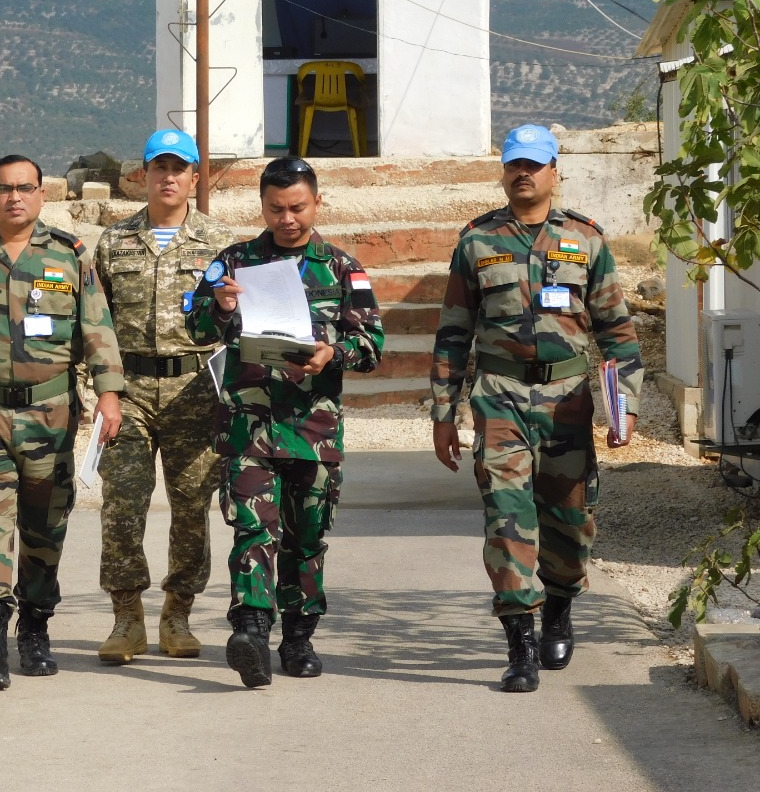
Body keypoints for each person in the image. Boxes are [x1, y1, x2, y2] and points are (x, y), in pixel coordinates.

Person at [429, 124, 643, 694]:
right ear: (504, 172)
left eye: (534, 164)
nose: (522, 173)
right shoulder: (477, 241)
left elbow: (617, 333)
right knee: (506, 515)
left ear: (555, 172)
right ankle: (519, 646)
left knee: (571, 523)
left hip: (568, 401)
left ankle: (560, 610)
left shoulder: (586, 240)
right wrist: (443, 413)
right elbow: (453, 333)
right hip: (499, 396)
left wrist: (624, 407)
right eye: (513, 164)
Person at [0, 154, 124, 692]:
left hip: (51, 412)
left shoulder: (69, 255)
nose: (14, 197)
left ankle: (35, 626)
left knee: (44, 527)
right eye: (3, 189)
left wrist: (109, 396)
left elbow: (97, 328)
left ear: (40, 195)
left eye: (25, 188)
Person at [185, 156, 384, 688]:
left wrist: (332, 353)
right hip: (249, 425)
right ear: (263, 206)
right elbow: (196, 325)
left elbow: (372, 346)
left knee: (306, 537)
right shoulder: (234, 261)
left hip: (314, 431)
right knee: (252, 528)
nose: (287, 219)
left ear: (317, 203)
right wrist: (222, 307)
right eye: (276, 209)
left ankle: (298, 638)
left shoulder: (343, 269)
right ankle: (250, 631)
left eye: (297, 207)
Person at [91, 129, 235, 664]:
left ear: (195, 177)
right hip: (127, 389)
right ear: (143, 176)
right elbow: (97, 322)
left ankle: (178, 613)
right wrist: (103, 389)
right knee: (122, 504)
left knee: (191, 505)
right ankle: (127, 618)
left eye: (179, 169)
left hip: (195, 387)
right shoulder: (114, 242)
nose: (168, 177)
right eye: (159, 168)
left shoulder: (220, 244)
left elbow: (235, 321)